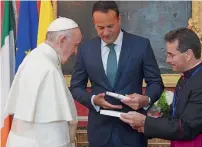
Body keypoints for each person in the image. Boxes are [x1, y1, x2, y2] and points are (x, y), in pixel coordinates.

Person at [70, 1, 164, 147]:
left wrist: (145, 99)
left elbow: (156, 82)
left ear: (119, 19)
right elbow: (76, 87)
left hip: (132, 131)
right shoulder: (86, 50)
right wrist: (94, 100)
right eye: (100, 28)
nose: (105, 33)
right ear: (94, 23)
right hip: (99, 132)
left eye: (110, 26)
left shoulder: (141, 45)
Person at [4, 17, 82, 147]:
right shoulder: (47, 68)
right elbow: (53, 136)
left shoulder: (36, 57)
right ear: (62, 40)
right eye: (75, 45)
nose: (75, 51)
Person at [120, 28, 202, 147]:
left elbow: (186, 127)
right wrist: (145, 125)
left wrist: (145, 122)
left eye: (171, 55)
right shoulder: (185, 77)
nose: (167, 60)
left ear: (188, 54)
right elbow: (174, 116)